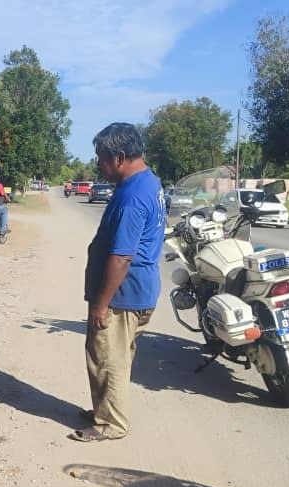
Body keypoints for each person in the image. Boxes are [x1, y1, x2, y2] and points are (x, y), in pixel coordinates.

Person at [71, 122, 165, 442]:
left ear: (120, 156)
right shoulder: (146, 183)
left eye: (101, 157)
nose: (98, 163)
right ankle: (103, 410)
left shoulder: (133, 196)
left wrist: (101, 302)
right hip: (135, 290)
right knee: (108, 356)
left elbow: (122, 257)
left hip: (122, 295)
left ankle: (111, 424)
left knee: (110, 359)